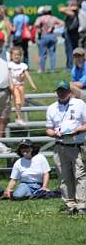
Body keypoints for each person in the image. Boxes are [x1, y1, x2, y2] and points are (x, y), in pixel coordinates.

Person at [45, 81, 86, 215]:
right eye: (59, 91)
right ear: (56, 92)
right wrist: (54, 134)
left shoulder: (80, 104)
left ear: (70, 92)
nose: (62, 93)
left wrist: (78, 130)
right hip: (60, 146)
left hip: (76, 145)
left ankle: (81, 206)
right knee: (64, 177)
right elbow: (48, 129)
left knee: (79, 175)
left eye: (64, 91)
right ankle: (69, 205)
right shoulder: (51, 108)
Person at [8, 46, 37, 125]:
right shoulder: (10, 65)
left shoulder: (23, 65)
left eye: (18, 55)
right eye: (15, 55)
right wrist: (10, 84)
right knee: (17, 101)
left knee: (21, 102)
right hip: (14, 86)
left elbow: (27, 75)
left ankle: (17, 117)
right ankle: (19, 118)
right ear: (11, 56)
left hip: (21, 86)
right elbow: (9, 75)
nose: (16, 56)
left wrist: (32, 84)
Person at [34, 6, 64, 73]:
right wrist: (54, 26)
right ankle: (52, 70)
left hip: (44, 35)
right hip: (52, 36)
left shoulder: (41, 18)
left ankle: (42, 70)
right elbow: (62, 23)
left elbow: (36, 24)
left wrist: (40, 29)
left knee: (43, 54)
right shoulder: (53, 18)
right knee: (52, 54)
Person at [60, 0, 80, 69]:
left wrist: (69, 7)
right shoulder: (75, 12)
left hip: (70, 34)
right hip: (74, 33)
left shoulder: (73, 13)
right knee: (73, 50)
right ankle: (74, 65)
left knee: (70, 50)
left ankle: (70, 66)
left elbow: (61, 9)